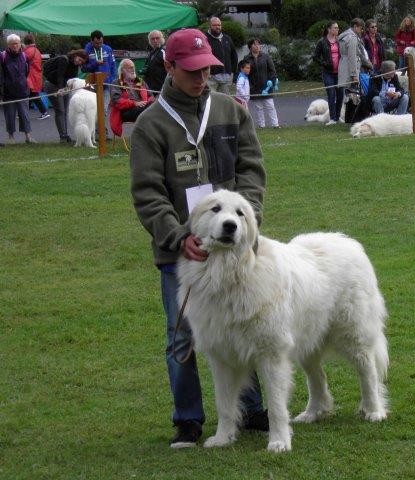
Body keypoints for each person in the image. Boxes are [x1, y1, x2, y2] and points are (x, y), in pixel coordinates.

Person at [129, 28, 268, 449]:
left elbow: (252, 169)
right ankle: (188, 420)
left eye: (206, 69)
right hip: (181, 253)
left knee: (247, 325)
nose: (201, 78)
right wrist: (177, 236)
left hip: (236, 249)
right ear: (168, 67)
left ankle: (254, 411)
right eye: (191, 70)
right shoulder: (151, 125)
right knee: (182, 334)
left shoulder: (231, 110)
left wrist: (248, 221)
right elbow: (148, 191)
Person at [43, 49, 89, 143]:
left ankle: (65, 134)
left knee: (65, 110)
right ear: (75, 55)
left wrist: (69, 89)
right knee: (60, 110)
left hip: (65, 87)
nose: (79, 62)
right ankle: (63, 136)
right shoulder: (64, 60)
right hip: (53, 85)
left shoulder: (75, 66)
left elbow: (73, 79)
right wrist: (60, 89)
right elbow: (60, 75)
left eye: (81, 62)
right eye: (79, 59)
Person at [1, 34, 36, 143]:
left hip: (22, 90)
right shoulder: (3, 56)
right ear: (9, 45)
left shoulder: (24, 56)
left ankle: (28, 136)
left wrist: (25, 84)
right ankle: (11, 137)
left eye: (17, 43)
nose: (16, 46)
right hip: (8, 91)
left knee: (24, 114)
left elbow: (26, 72)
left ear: (20, 43)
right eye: (13, 44)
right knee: (10, 115)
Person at [82, 30, 117, 136]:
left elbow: (113, 66)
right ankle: (99, 132)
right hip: (92, 85)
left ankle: (101, 132)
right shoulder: (86, 51)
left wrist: (112, 80)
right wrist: (94, 64)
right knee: (93, 109)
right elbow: (84, 68)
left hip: (106, 84)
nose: (99, 45)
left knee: (103, 109)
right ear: (91, 41)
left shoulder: (108, 49)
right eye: (97, 43)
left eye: (101, 42)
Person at [109, 58, 154, 137]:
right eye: (130, 67)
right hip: (126, 112)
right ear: (122, 70)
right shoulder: (117, 82)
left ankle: (151, 136)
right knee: (151, 108)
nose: (133, 69)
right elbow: (117, 101)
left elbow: (151, 96)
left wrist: (147, 102)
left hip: (143, 107)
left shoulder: (139, 81)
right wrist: (135, 103)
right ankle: (147, 136)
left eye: (133, 67)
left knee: (156, 105)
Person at [312, 20, 343, 125]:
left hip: (339, 72)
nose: (337, 30)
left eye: (337, 28)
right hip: (328, 73)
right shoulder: (322, 42)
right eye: (335, 28)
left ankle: (338, 117)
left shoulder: (339, 41)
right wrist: (324, 63)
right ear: (329, 29)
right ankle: (332, 118)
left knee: (340, 95)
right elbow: (315, 57)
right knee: (331, 94)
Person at [244, 38, 280, 128]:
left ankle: (275, 124)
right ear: (250, 47)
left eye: (258, 44)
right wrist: (250, 86)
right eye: (255, 44)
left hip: (267, 86)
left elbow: (272, 71)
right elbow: (245, 74)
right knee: (258, 108)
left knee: (270, 106)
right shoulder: (247, 58)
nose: (257, 46)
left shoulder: (266, 57)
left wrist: (271, 83)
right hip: (254, 87)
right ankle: (261, 125)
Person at [204, 16, 238, 95]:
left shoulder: (227, 39)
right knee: (211, 101)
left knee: (225, 102)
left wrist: (233, 71)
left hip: (226, 78)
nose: (217, 27)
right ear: (210, 26)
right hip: (211, 78)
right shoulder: (205, 39)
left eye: (219, 25)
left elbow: (234, 55)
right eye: (215, 25)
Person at [22, 34, 49, 120]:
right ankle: (22, 112)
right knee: (30, 94)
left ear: (25, 42)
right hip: (36, 75)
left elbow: (22, 59)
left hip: (31, 76)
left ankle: (44, 112)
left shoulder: (28, 51)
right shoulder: (36, 50)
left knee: (32, 94)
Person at [337, 18, 367, 91]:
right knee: (351, 95)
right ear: (355, 26)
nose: (362, 30)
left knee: (344, 92)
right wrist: (354, 75)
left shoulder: (344, 35)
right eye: (361, 28)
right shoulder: (352, 38)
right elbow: (352, 56)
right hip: (350, 69)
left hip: (343, 64)